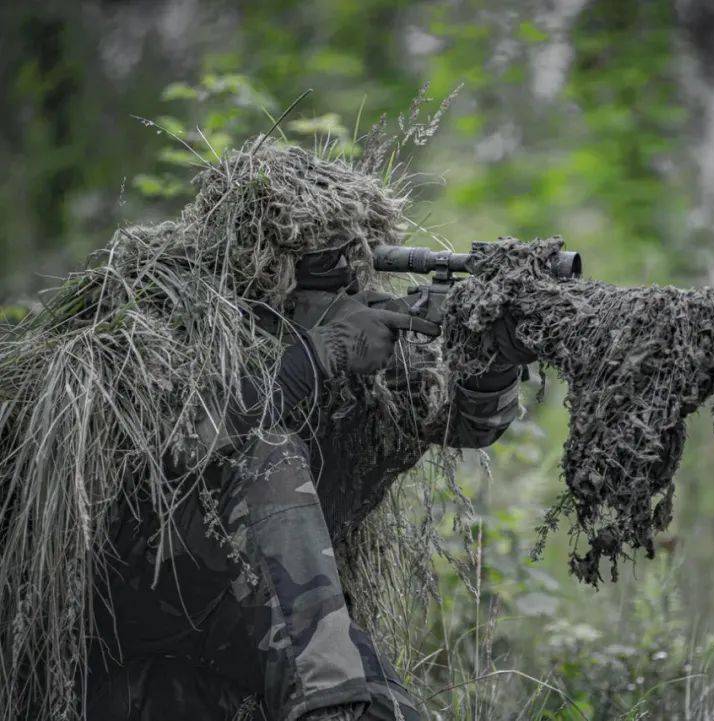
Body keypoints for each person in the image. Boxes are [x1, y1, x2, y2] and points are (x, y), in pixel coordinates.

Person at [86, 242, 535, 721]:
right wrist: (319, 353)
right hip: (127, 629)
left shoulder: (366, 367)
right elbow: (181, 443)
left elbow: (465, 423)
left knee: (385, 709)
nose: (347, 300)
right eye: (322, 288)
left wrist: (495, 359)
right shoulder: (182, 325)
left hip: (243, 631)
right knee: (271, 453)